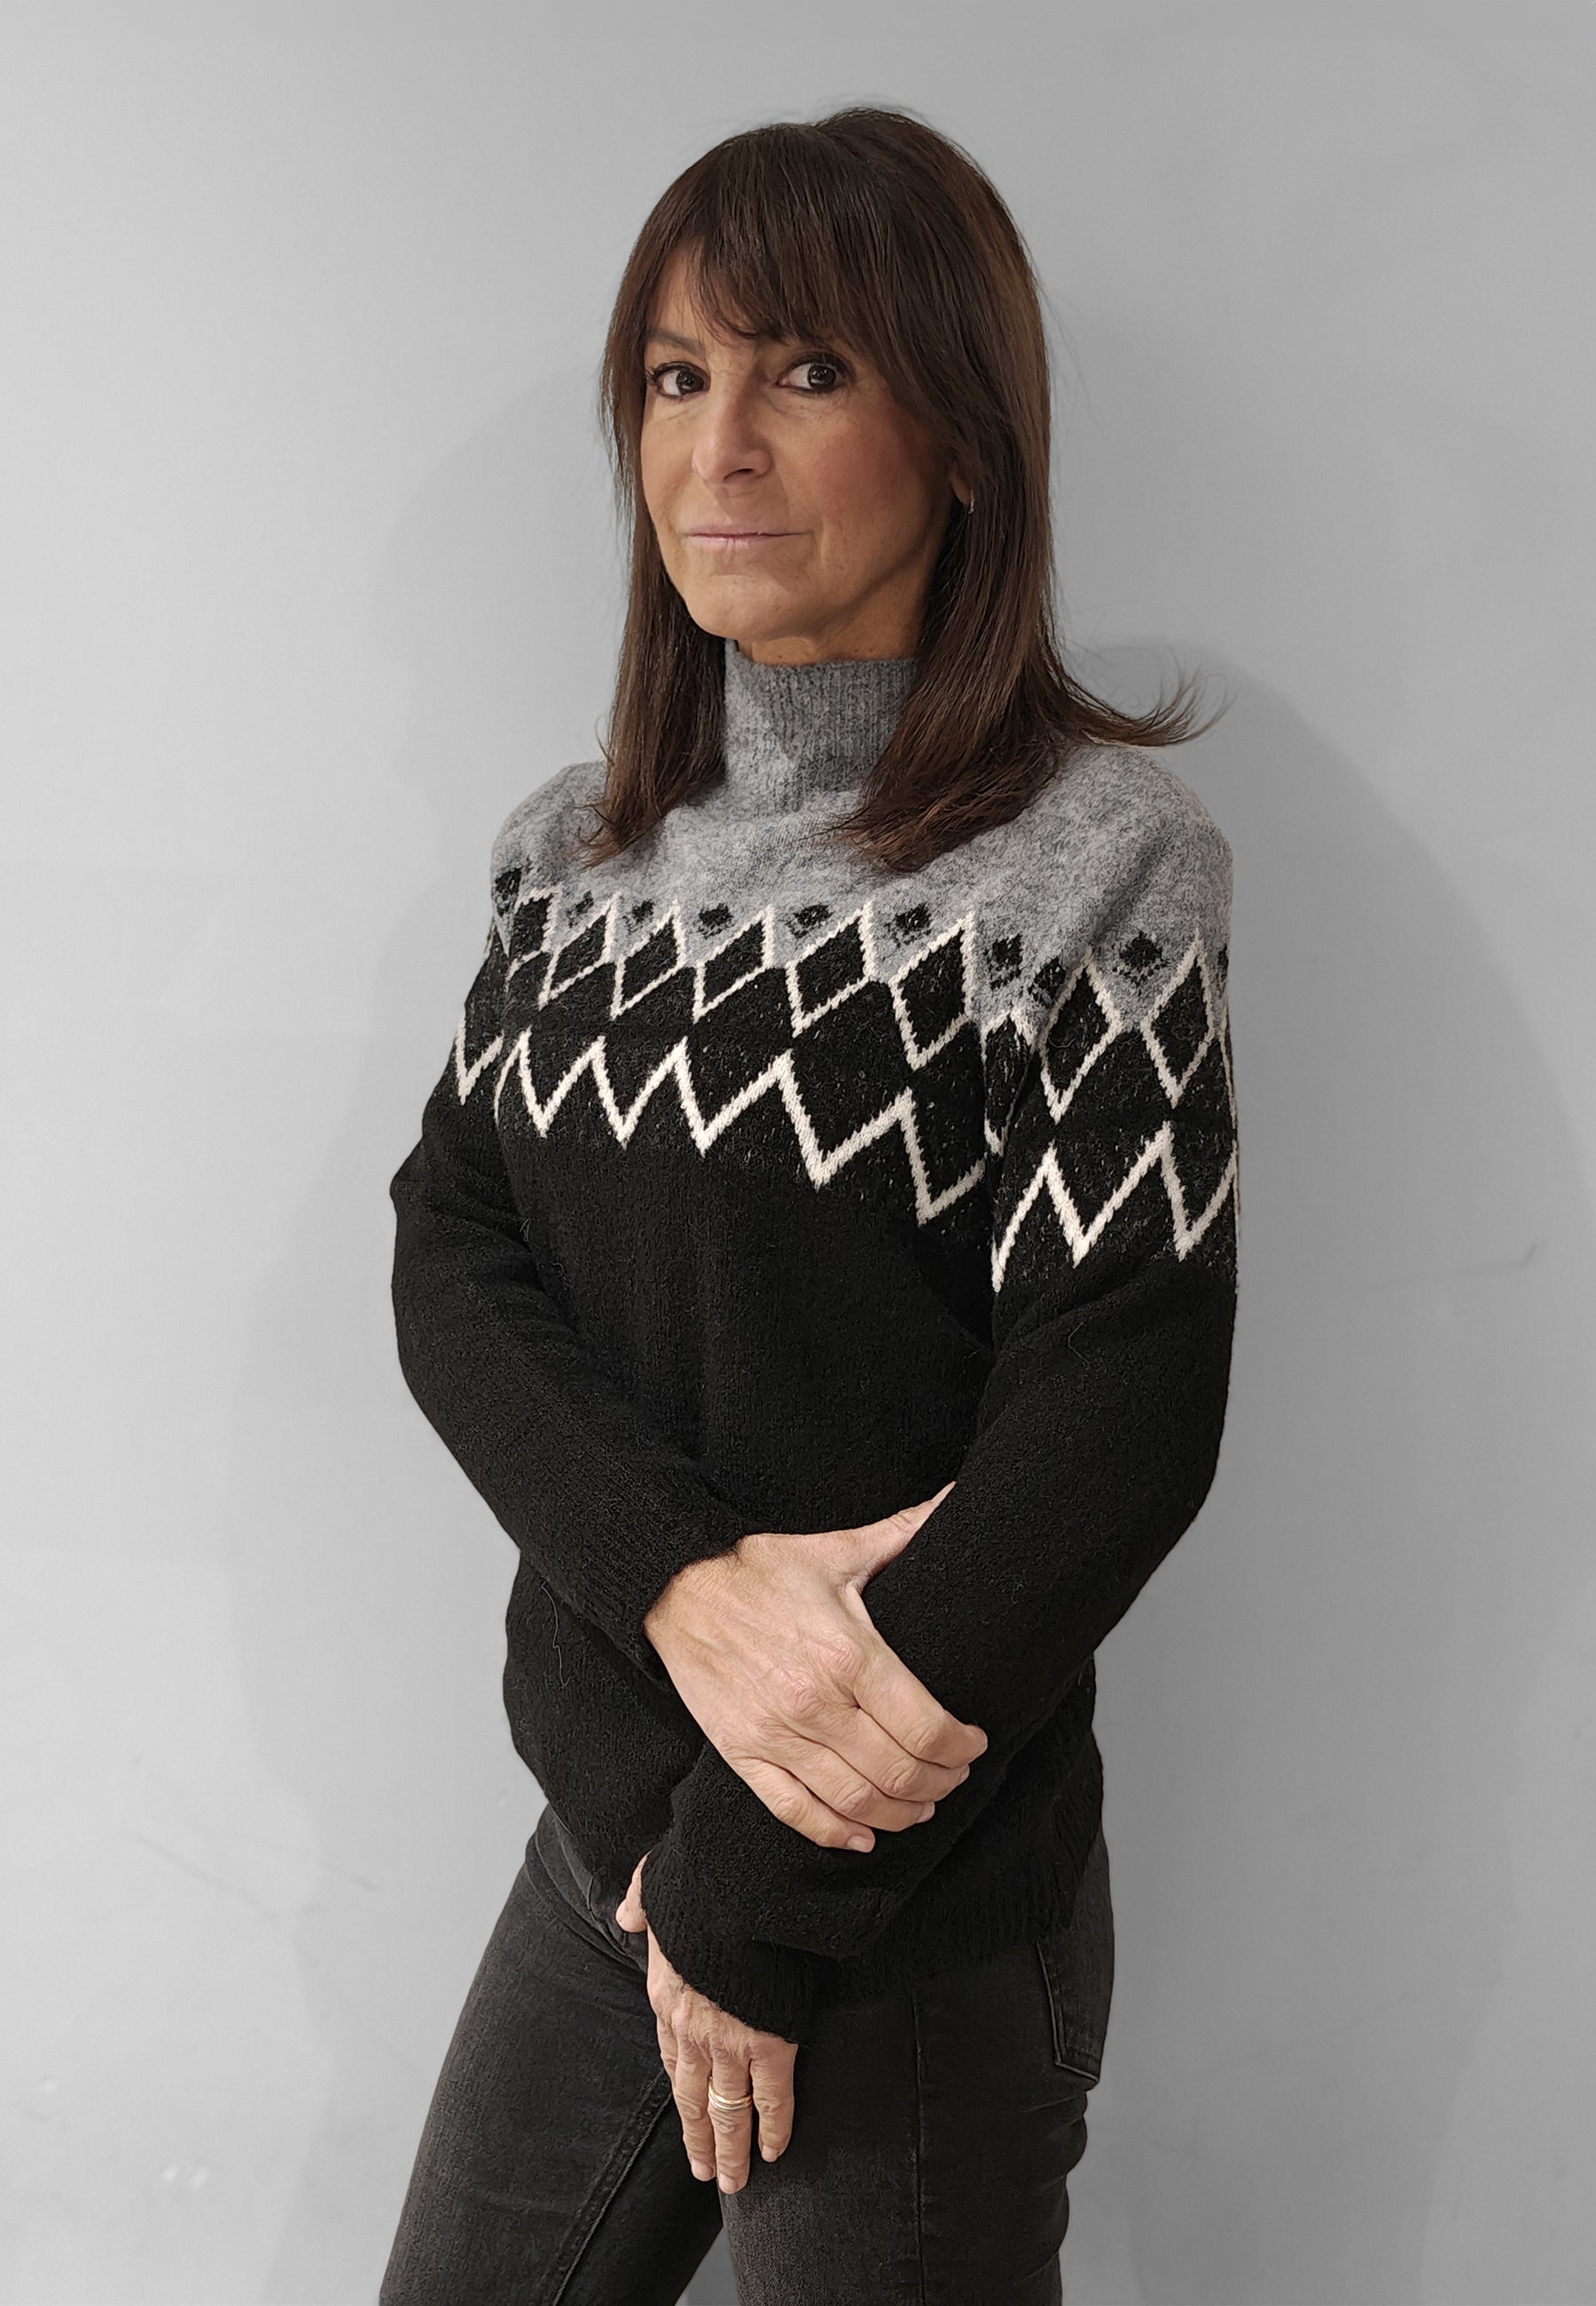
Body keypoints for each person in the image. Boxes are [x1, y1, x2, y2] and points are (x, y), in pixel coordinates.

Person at [378, 102, 1238, 2306]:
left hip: (910, 1908)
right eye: (678, 376)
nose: (720, 446)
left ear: (965, 443)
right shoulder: (573, 853)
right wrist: (683, 1589)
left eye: (809, 370)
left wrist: (760, 1882)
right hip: (607, 1847)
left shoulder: (1095, 864)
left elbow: (1115, 1422)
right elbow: (453, 1256)